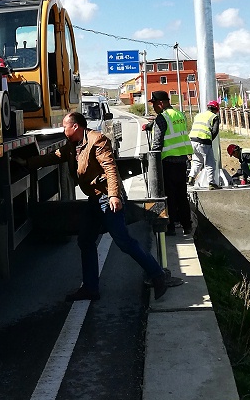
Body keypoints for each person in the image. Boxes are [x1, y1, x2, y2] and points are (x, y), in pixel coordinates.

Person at [31, 110, 169, 302]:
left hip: (107, 197)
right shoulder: (73, 145)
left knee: (123, 242)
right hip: (94, 200)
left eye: (65, 126)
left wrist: (114, 195)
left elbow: (110, 168)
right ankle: (90, 289)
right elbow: (54, 156)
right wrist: (27, 163)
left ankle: (157, 274)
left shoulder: (98, 140)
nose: (62, 129)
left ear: (75, 126)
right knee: (85, 241)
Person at [149, 90, 194, 236]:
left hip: (167, 161)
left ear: (160, 103)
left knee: (169, 196)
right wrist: (150, 125)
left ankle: (171, 227)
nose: (153, 108)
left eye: (154, 104)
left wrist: (153, 158)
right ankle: (187, 226)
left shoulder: (162, 117)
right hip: (182, 161)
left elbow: (158, 141)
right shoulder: (179, 115)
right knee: (182, 195)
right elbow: (172, 130)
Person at [189, 100, 221, 188]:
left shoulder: (198, 115)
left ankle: (191, 178)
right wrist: (209, 140)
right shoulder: (214, 117)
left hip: (192, 140)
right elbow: (215, 131)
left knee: (197, 161)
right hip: (203, 141)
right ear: (216, 109)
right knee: (210, 163)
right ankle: (211, 183)